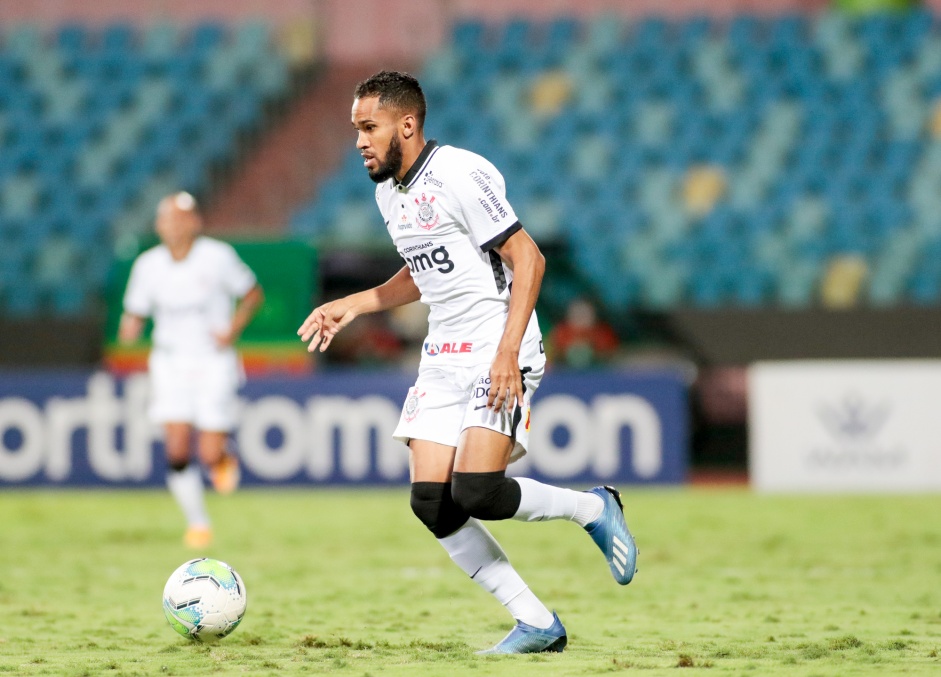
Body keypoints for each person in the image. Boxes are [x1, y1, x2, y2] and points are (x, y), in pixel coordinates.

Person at [298, 71, 637, 654]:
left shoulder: (460, 172)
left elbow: (527, 257)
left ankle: (591, 507)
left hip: (497, 348)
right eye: (356, 128)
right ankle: (536, 622)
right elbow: (425, 271)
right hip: (442, 354)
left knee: (478, 490)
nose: (359, 141)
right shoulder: (387, 192)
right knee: (431, 502)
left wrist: (507, 352)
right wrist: (354, 304)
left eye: (368, 127)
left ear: (407, 124)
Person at [119, 191, 264, 549]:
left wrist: (233, 329)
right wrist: (130, 328)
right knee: (177, 447)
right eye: (168, 218)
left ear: (196, 222)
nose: (174, 225)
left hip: (212, 359)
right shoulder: (148, 265)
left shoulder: (217, 257)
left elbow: (252, 293)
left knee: (208, 454)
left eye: (182, 217)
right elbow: (135, 311)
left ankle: (223, 455)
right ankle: (198, 522)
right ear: (158, 225)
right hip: (169, 361)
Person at [548, 297, 620, 368]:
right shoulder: (560, 333)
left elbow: (614, 357)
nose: (581, 317)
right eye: (577, 312)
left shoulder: (602, 334)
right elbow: (550, 357)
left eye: (585, 312)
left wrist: (594, 351)